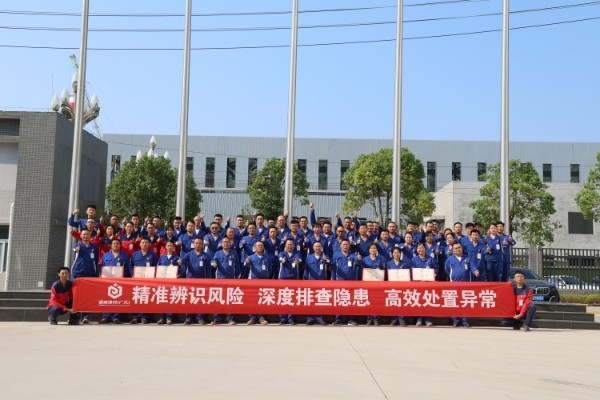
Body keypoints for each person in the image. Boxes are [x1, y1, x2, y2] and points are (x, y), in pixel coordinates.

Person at [445, 242, 479, 327]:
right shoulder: (449, 259)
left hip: (466, 285)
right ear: (453, 250)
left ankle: (465, 320)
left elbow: (473, 267)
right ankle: (455, 320)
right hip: (454, 285)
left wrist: (475, 271)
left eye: (459, 247)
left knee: (465, 302)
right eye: (455, 248)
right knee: (455, 302)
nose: (458, 249)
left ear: (462, 248)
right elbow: (447, 270)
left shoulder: (467, 258)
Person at [180, 238, 212, 325]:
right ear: (193, 244)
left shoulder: (206, 256)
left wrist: (208, 280)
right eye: (196, 243)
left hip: (201, 281)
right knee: (190, 299)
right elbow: (182, 261)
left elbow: (209, 270)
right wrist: (180, 261)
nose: (198, 245)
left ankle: (200, 317)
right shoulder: (188, 254)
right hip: (190, 280)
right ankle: (189, 317)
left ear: (202, 245)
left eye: (200, 243)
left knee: (200, 300)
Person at [331, 239, 362, 326]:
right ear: (340, 246)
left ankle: (350, 319)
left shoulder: (353, 255)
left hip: (351, 281)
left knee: (350, 300)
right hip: (339, 281)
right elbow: (333, 269)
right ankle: (338, 319)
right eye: (343, 244)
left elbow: (359, 263)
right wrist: (333, 280)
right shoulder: (336, 256)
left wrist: (359, 259)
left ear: (349, 246)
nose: (345, 246)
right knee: (339, 300)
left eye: (346, 244)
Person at [71, 228, 99, 324]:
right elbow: (74, 250)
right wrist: (76, 250)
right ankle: (76, 316)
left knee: (88, 295)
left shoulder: (94, 247)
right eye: (84, 234)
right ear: (81, 236)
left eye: (87, 234)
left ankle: (86, 317)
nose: (85, 236)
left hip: (90, 273)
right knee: (78, 295)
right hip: (79, 272)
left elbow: (96, 260)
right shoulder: (77, 245)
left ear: (90, 236)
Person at [98, 238, 129, 324]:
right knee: (107, 298)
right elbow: (101, 266)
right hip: (107, 281)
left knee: (118, 298)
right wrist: (100, 275)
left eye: (117, 244)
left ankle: (116, 317)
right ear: (111, 245)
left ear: (120, 245)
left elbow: (127, 268)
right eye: (114, 243)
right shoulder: (105, 255)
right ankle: (105, 317)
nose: (115, 245)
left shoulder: (124, 256)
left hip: (119, 281)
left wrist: (124, 276)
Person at [211, 237, 240, 325]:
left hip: (231, 280)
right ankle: (217, 318)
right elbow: (213, 260)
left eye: (227, 242)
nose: (226, 244)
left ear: (230, 244)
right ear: (221, 244)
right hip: (220, 280)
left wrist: (237, 277)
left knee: (229, 299)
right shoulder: (218, 253)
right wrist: (213, 263)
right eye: (224, 242)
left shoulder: (234, 253)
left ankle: (230, 318)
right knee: (218, 299)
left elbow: (237, 266)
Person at [129, 237, 158, 324]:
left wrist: (153, 275)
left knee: (146, 298)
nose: (144, 244)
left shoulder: (153, 255)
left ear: (149, 244)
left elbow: (156, 266)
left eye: (146, 242)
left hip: (148, 281)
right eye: (143, 242)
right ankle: (135, 317)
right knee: (136, 298)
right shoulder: (135, 254)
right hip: (137, 280)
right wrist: (133, 274)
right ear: (140, 244)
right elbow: (130, 266)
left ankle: (145, 317)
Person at [244, 241, 272, 325]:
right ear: (254, 247)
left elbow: (270, 269)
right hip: (253, 282)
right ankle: (252, 318)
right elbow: (246, 265)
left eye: (261, 245)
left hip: (264, 282)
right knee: (253, 300)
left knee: (263, 299)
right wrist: (247, 262)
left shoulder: (267, 258)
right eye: (258, 245)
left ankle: (262, 317)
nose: (260, 247)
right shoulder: (250, 257)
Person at [303, 242, 329, 326]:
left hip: (322, 282)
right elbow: (306, 270)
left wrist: (326, 260)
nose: (317, 248)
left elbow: (330, 264)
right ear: (313, 248)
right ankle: (310, 318)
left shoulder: (325, 257)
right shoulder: (309, 258)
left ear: (321, 247)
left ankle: (320, 318)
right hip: (311, 282)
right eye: (316, 246)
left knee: (321, 301)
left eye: (319, 246)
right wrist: (305, 280)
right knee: (311, 300)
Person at [156, 241, 182, 325]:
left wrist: (178, 273)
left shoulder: (177, 258)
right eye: (168, 245)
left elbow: (181, 270)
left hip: (172, 282)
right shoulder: (162, 257)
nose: (169, 247)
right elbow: (158, 268)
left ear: (174, 248)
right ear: (165, 247)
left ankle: (169, 318)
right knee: (162, 299)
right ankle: (162, 317)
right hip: (163, 282)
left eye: (171, 245)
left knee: (170, 299)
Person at [277, 239, 302, 325]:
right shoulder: (282, 253)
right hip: (283, 279)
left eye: (291, 244)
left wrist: (297, 261)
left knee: (293, 299)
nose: (289, 246)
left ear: (294, 246)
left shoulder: (297, 254)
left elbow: (299, 260)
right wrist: (282, 260)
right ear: (285, 245)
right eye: (288, 244)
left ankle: (291, 318)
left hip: (293, 279)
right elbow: (280, 259)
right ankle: (283, 318)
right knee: (282, 299)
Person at [386, 247, 412, 326]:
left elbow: (407, 274)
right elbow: (387, 274)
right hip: (392, 286)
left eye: (398, 253)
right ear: (392, 254)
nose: (396, 254)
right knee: (393, 302)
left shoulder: (404, 263)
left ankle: (401, 319)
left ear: (400, 254)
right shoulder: (389, 263)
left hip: (401, 286)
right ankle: (394, 319)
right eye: (394, 253)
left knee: (401, 302)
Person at [362, 243, 386, 326]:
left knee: (376, 301)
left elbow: (383, 270)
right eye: (371, 248)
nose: (373, 250)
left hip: (377, 283)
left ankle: (376, 318)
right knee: (368, 300)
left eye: (374, 248)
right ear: (369, 250)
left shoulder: (380, 259)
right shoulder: (365, 259)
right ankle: (369, 318)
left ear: (376, 250)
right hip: (367, 283)